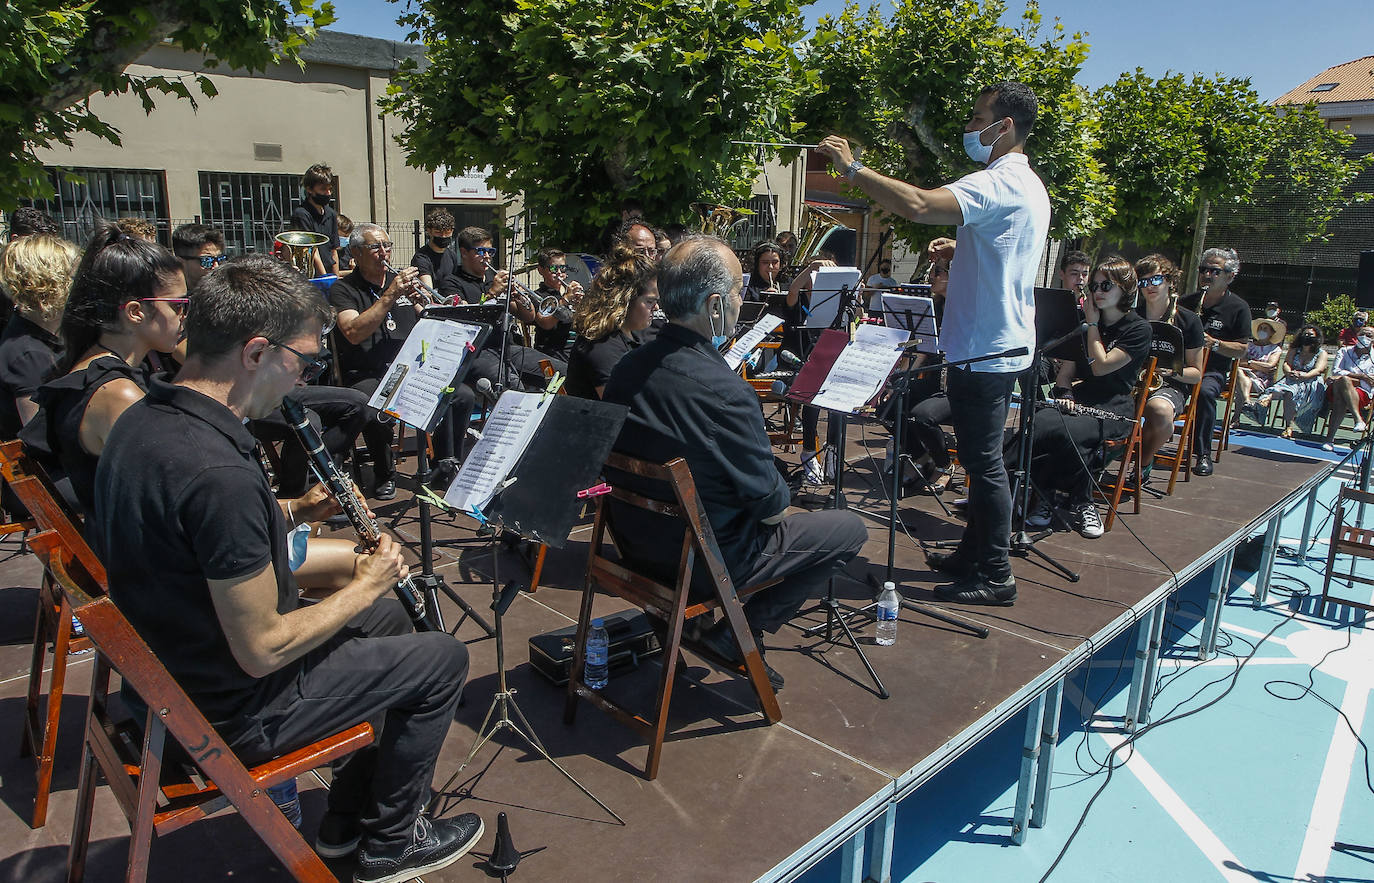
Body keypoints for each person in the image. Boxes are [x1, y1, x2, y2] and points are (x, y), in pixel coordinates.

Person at [91, 254, 481, 882]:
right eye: (304, 359)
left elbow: (195, 536)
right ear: (254, 352)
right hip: (228, 708)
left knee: (384, 621)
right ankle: (392, 842)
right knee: (442, 660)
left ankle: (345, 823)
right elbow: (262, 649)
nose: (306, 377)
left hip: (171, 666)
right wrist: (366, 580)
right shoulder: (217, 473)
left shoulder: (144, 418)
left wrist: (295, 512)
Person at [818, 80, 1050, 604]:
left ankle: (994, 575)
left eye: (976, 119)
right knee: (977, 457)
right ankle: (974, 555)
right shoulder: (1027, 184)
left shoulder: (1000, 181)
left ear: (1004, 126)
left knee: (985, 463)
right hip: (993, 343)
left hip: (987, 347)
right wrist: (964, 249)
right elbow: (1001, 249)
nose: (969, 128)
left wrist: (853, 169)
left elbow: (920, 204)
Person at [602, 236, 868, 690]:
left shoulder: (626, 366)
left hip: (634, 547)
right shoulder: (726, 393)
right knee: (849, 530)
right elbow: (771, 508)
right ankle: (740, 630)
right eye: (739, 292)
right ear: (714, 305)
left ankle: (704, 624)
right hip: (703, 562)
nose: (742, 301)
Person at [20, 225, 184, 515]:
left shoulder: (91, 365)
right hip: (135, 556)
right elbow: (170, 494)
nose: (184, 316)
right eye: (178, 305)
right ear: (136, 312)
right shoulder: (118, 394)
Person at [331, 223, 477, 497]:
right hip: (368, 371)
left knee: (462, 395)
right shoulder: (344, 289)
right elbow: (352, 332)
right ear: (355, 253)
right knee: (374, 407)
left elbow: (431, 321)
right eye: (375, 247)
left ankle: (445, 465)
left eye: (387, 246)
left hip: (411, 368)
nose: (384, 252)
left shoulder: (400, 284)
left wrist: (423, 304)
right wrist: (389, 297)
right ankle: (384, 472)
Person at [1018, 257, 1151, 540]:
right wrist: (1065, 393)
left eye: (1106, 285)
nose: (1098, 291)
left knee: (1073, 433)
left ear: (1126, 290)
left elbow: (1101, 365)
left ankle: (1083, 501)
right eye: (1095, 286)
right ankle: (1044, 495)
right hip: (1081, 397)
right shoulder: (1084, 323)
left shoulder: (1138, 329)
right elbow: (1067, 372)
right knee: (1040, 423)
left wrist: (1092, 325)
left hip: (1114, 403)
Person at [445, 226, 562, 390]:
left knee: (560, 372)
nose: (486, 257)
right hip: (477, 352)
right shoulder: (452, 283)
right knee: (514, 387)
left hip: (507, 347)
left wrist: (520, 297)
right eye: (480, 251)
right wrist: (491, 294)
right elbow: (464, 318)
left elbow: (528, 317)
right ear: (464, 252)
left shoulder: (494, 278)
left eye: (490, 252)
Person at [1180, 247, 1252, 476]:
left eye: (1214, 271)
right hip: (1181, 367)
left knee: (1204, 393)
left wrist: (1215, 343)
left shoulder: (1239, 308)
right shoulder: (1186, 302)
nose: (1207, 275)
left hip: (1212, 370)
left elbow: (1242, 350)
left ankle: (1203, 453)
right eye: (1204, 270)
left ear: (1230, 276)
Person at [0, 235, 76, 442]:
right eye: (73, 275)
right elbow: (43, 442)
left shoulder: (51, 335)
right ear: (52, 282)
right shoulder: (27, 355)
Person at [1135, 254, 1205, 475]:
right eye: (1143, 282)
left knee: (1161, 412)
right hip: (1131, 383)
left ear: (1170, 282)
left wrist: (1172, 371)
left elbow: (1196, 374)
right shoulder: (1132, 316)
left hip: (1169, 384)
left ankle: (1142, 464)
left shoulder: (1189, 321)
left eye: (1155, 279)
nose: (1149, 286)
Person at [565, 245, 656, 399]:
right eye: (649, 301)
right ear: (625, 300)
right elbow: (624, 407)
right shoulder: (602, 346)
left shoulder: (636, 335)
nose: (656, 307)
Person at [1258, 323, 1327, 439]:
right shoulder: (1295, 350)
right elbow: (1286, 364)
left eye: (1310, 335)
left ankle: (1270, 400)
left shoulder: (1321, 353)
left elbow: (1318, 370)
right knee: (1289, 389)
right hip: (1292, 378)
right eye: (1305, 334)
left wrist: (1303, 375)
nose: (1307, 336)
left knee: (1290, 391)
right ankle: (1287, 425)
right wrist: (1289, 372)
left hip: (1310, 382)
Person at [1323, 327, 1374, 450]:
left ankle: (1329, 440)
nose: (1365, 337)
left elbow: (1371, 382)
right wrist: (1361, 377)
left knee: (1341, 396)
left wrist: (1346, 378)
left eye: (1369, 335)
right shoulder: (1344, 351)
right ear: (1357, 335)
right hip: (1335, 389)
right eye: (1363, 334)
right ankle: (1358, 419)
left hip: (1362, 393)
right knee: (1344, 381)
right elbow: (1336, 371)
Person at [530, 248, 584, 362]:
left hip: (577, 348)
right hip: (552, 352)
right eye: (554, 268)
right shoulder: (537, 296)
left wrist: (582, 305)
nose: (559, 273)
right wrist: (565, 300)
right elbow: (546, 323)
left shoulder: (571, 291)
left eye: (563, 268)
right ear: (540, 270)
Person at [289, 162, 339, 278]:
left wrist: (335, 280)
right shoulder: (302, 214)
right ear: (309, 189)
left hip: (328, 272)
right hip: (312, 275)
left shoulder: (331, 214)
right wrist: (324, 278)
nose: (328, 193)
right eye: (323, 189)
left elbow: (333, 250)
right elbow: (312, 250)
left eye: (330, 189)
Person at [1237, 317, 1285, 423]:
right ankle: (1247, 403)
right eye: (1260, 328)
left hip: (1262, 381)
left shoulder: (1275, 349)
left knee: (1240, 382)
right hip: (1243, 377)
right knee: (1239, 373)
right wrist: (1259, 366)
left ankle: (1236, 418)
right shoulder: (1248, 345)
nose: (1262, 330)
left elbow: (1269, 366)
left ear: (1272, 332)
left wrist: (1250, 363)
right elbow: (1239, 361)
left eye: (1265, 328)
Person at [410, 208, 458, 297]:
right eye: (438, 232)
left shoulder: (452, 255)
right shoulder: (421, 258)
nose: (443, 236)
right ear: (429, 231)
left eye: (447, 232)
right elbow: (428, 290)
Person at [172, 223, 227, 289]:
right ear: (180, 262)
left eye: (220, 259)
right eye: (207, 261)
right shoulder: (167, 295)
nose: (216, 266)